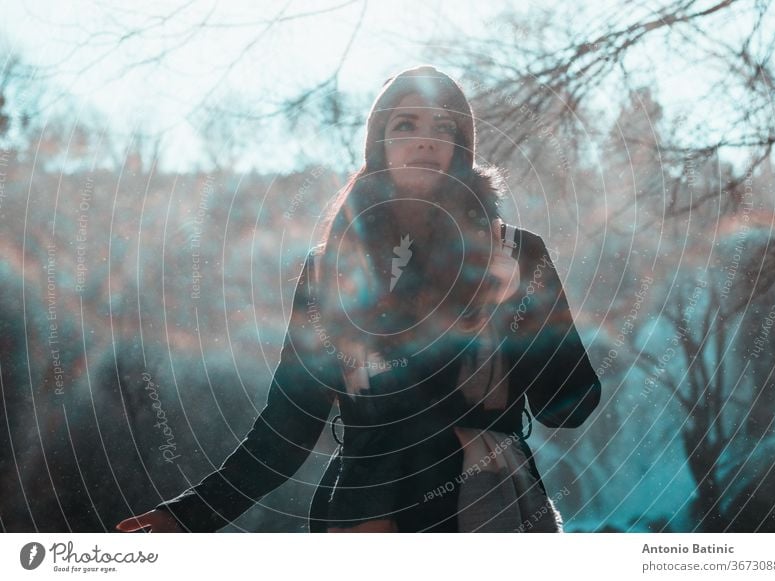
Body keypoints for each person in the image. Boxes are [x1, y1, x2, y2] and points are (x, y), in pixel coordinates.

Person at [116, 65, 601, 534]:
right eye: (405, 124)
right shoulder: (329, 271)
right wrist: (189, 517)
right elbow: (290, 425)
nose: (425, 139)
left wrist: (519, 315)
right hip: (363, 516)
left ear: (461, 148)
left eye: (444, 126)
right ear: (380, 145)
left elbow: (569, 406)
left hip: (484, 511)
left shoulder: (514, 254)